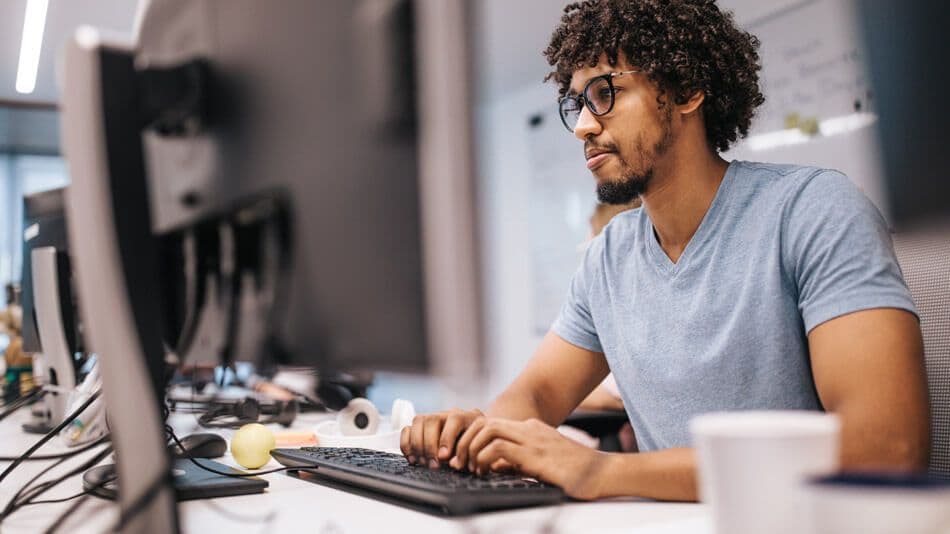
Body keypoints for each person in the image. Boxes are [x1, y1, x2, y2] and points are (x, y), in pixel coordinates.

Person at [401, 0, 929, 502]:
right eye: (577, 103)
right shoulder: (609, 257)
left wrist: (602, 470)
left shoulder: (813, 210)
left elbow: (885, 449)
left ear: (687, 90)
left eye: (604, 93)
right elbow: (533, 400)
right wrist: (472, 433)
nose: (584, 125)